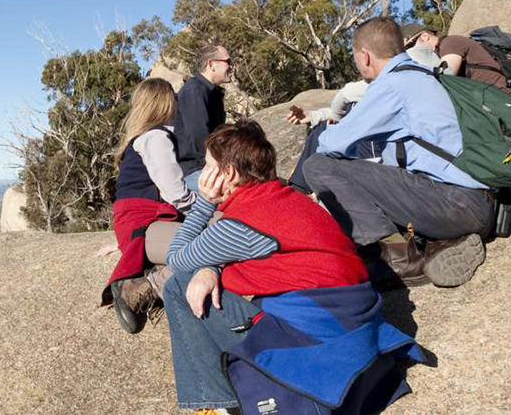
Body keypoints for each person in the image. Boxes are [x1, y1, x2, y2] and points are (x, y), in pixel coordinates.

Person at [162, 121, 422, 415]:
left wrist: (204, 204)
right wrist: (210, 267)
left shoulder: (241, 223)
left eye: (208, 166)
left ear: (228, 173)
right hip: (356, 327)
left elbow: (177, 259)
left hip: (317, 336)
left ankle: (215, 404)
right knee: (206, 278)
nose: (201, 174)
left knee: (177, 286)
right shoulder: (291, 199)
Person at [303, 17, 494, 288]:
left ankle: (400, 257)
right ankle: (439, 244)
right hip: (475, 201)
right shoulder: (424, 73)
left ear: (365, 56)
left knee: (318, 166)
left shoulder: (391, 86)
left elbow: (331, 145)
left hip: (456, 204)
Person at [102, 77, 195, 334]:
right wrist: (207, 213)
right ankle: (144, 287)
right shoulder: (156, 137)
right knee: (215, 242)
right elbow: (176, 194)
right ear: (165, 102)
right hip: (146, 224)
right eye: (174, 98)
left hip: (140, 224)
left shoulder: (142, 138)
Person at [284, 42, 442, 192]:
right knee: (323, 128)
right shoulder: (411, 68)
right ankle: (298, 189)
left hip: (399, 161)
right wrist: (315, 115)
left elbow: (355, 94)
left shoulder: (416, 61)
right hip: (392, 147)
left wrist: (345, 97)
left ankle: (301, 189)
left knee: (323, 150)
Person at [174, 44, 232, 192]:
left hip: (207, 169)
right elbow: (200, 138)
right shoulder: (195, 90)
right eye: (228, 62)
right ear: (211, 64)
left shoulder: (211, 93)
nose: (232, 67)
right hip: (196, 171)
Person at [401, 23, 511, 92]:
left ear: (425, 36)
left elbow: (446, 76)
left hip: (501, 95)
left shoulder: (449, 43)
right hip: (489, 97)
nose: (410, 52)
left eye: (410, 46)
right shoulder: (440, 52)